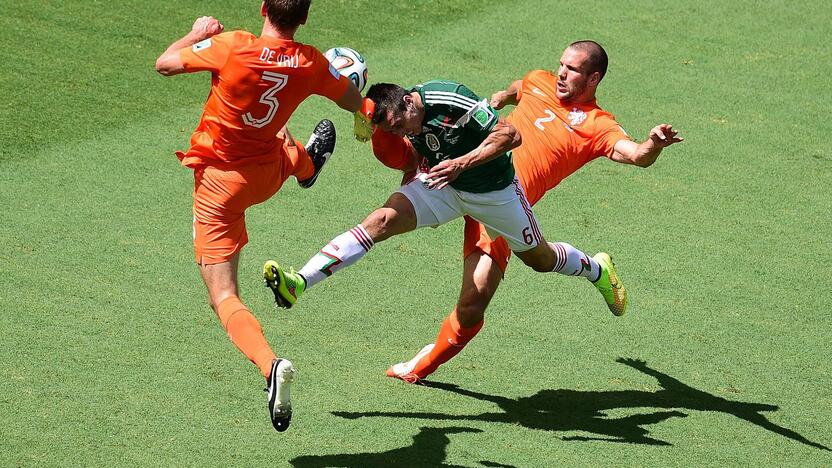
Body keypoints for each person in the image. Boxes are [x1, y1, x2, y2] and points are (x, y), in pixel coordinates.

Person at [381, 40, 683, 383]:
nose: (562, 74)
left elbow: (636, 155)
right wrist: (497, 100)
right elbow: (513, 90)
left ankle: (595, 268)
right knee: (400, 187)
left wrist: (652, 145)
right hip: (460, 176)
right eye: (561, 65)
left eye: (573, 70)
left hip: (499, 206)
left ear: (593, 79)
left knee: (472, 305)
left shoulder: (598, 125)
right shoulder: (539, 79)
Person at [263, 79, 625, 333]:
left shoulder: (450, 100)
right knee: (380, 221)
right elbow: (404, 150)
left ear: (409, 102)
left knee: (540, 261)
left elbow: (511, 135)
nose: (402, 132)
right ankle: (299, 282)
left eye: (401, 125)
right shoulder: (401, 121)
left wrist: (461, 163)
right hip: (444, 186)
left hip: (495, 192)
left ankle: (597, 269)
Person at [155, 0, 362, 431]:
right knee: (280, 140)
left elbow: (165, 65)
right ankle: (306, 165)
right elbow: (351, 99)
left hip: (221, 187)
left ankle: (271, 366)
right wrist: (345, 81)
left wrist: (197, 32)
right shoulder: (311, 62)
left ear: (263, 7)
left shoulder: (230, 46)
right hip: (266, 173)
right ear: (304, 18)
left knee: (224, 296)